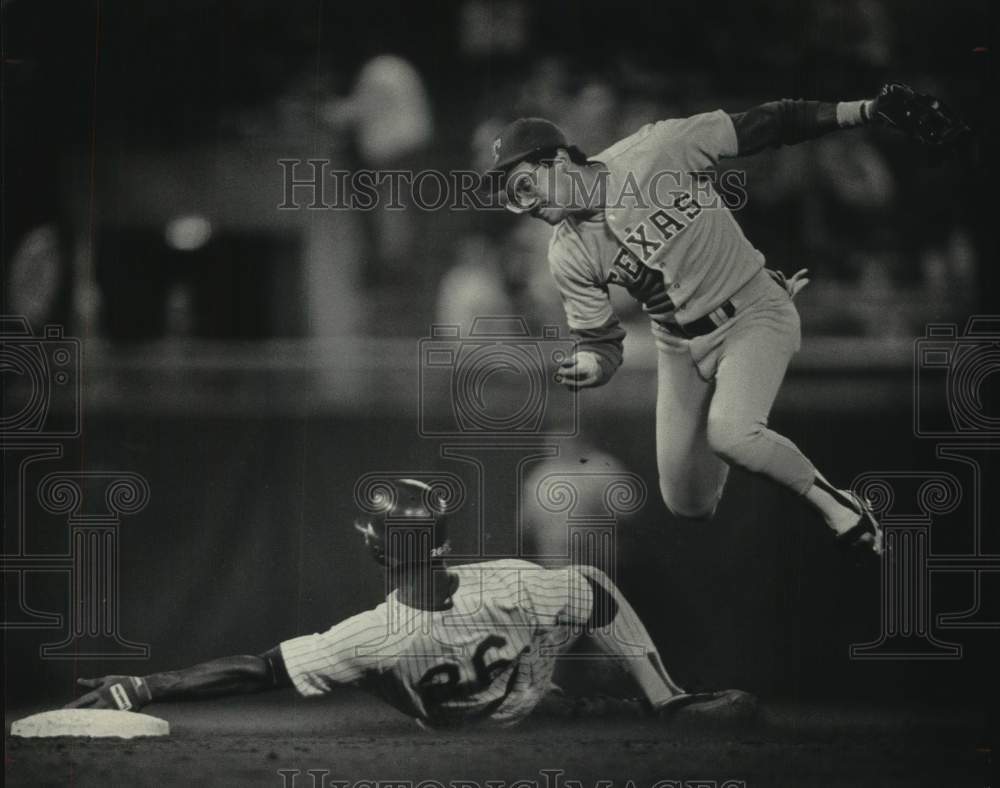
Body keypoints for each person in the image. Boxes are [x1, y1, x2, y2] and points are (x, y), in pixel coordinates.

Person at [480, 95, 906, 554]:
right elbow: (600, 339)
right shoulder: (566, 251)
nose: (525, 205)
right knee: (688, 502)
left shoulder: (655, 150)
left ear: (559, 160)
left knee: (732, 435)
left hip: (751, 311)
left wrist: (862, 110)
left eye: (523, 186)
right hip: (680, 344)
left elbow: (767, 123)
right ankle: (740, 427)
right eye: (512, 198)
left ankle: (842, 508)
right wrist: (591, 364)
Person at [65, 479, 756, 729]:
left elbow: (257, 668)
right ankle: (658, 703)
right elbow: (595, 590)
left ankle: (624, 708)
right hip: (525, 690)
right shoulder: (510, 578)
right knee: (576, 595)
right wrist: (659, 689)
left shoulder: (372, 634)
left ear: (379, 550)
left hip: (449, 714)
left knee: (337, 663)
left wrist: (141, 685)